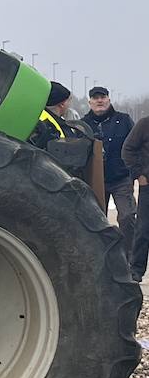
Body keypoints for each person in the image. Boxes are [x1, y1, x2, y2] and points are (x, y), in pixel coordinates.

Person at [82, 88, 136, 255]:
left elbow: (135, 145)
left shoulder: (124, 120)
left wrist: (136, 170)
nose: (99, 101)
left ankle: (130, 258)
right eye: (95, 98)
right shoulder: (84, 124)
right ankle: (102, 256)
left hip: (121, 178)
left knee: (127, 217)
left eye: (103, 97)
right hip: (96, 180)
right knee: (97, 221)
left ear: (109, 99)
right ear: (89, 102)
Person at [121, 113, 149, 282]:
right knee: (143, 229)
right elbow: (127, 150)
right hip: (148, 187)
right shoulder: (144, 124)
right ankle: (136, 269)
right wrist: (139, 174)